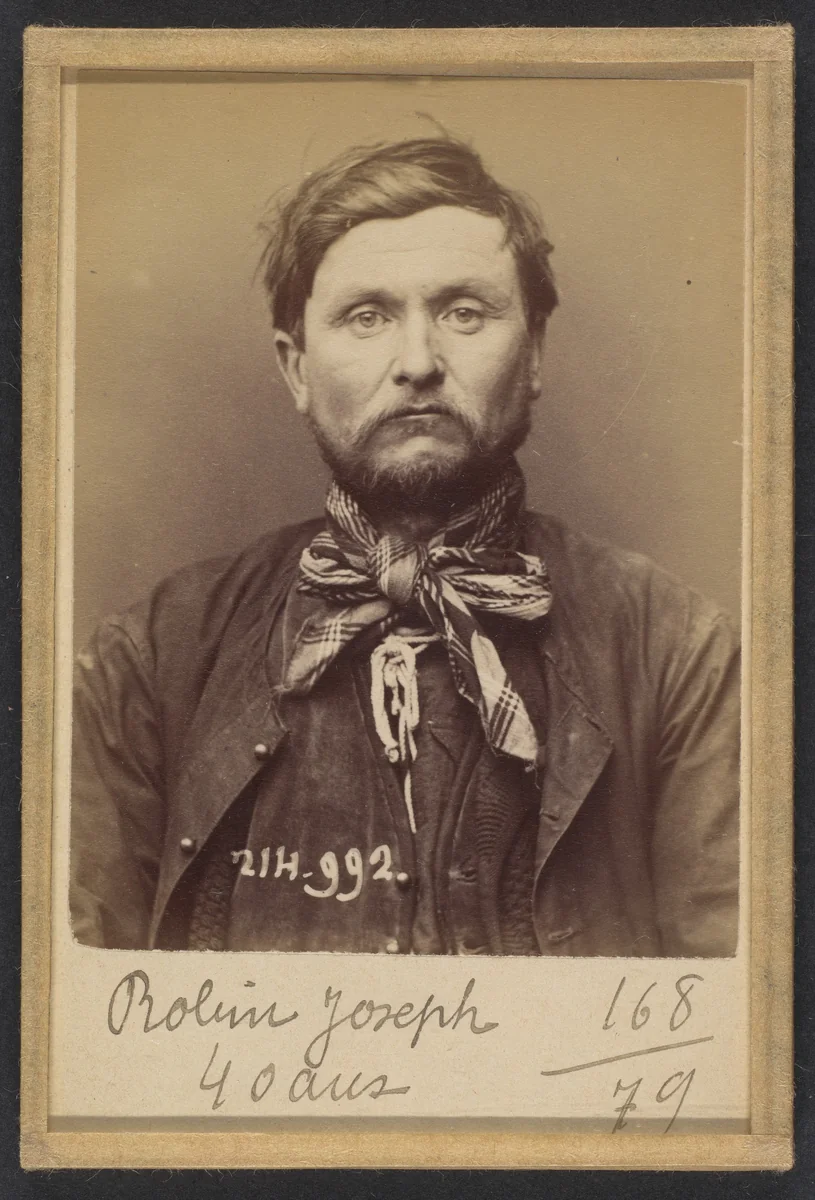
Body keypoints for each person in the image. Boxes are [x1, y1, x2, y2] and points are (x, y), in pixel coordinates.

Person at [70, 136, 740, 956]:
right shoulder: (149, 658)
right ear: (297, 370)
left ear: (532, 353)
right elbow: (75, 1020)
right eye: (366, 317)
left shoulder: (678, 651)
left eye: (464, 313)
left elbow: (733, 1023)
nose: (417, 362)